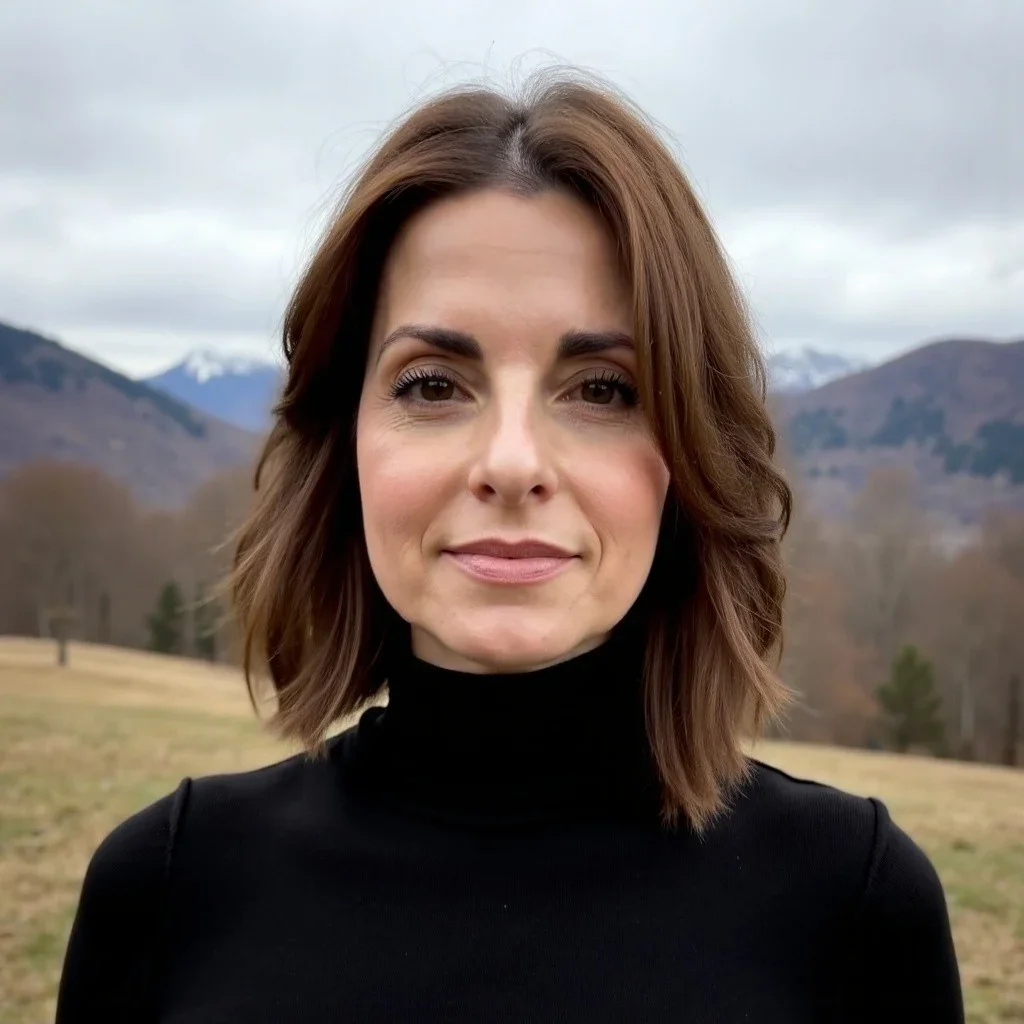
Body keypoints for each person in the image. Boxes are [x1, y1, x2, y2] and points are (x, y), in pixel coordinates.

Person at [56, 70, 964, 1022]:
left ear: (689, 457)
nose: (513, 463)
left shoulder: (852, 905)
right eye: (434, 384)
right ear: (345, 441)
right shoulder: (169, 887)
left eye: (604, 389)